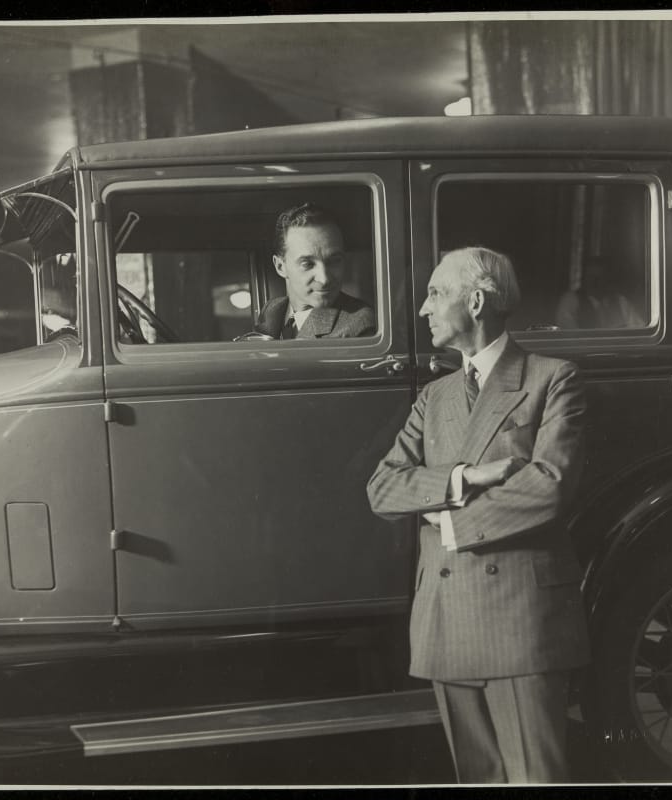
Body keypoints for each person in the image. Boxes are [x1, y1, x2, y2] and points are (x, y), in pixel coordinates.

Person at [366, 246, 590, 784]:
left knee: (536, 778)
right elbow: (382, 488)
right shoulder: (435, 396)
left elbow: (549, 485)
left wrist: (449, 524)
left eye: (435, 293)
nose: (424, 308)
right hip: (444, 619)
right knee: (478, 779)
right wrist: (464, 478)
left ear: (477, 301)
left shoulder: (552, 378)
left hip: (520, 621)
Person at [255, 203, 375, 339]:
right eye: (308, 264)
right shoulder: (271, 310)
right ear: (280, 267)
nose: (324, 279)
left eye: (334, 261)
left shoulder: (361, 325)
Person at [555, 254, 644, 330]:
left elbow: (638, 328)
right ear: (584, 278)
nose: (595, 282)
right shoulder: (570, 300)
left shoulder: (620, 302)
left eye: (600, 277)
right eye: (591, 277)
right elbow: (569, 333)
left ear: (607, 279)